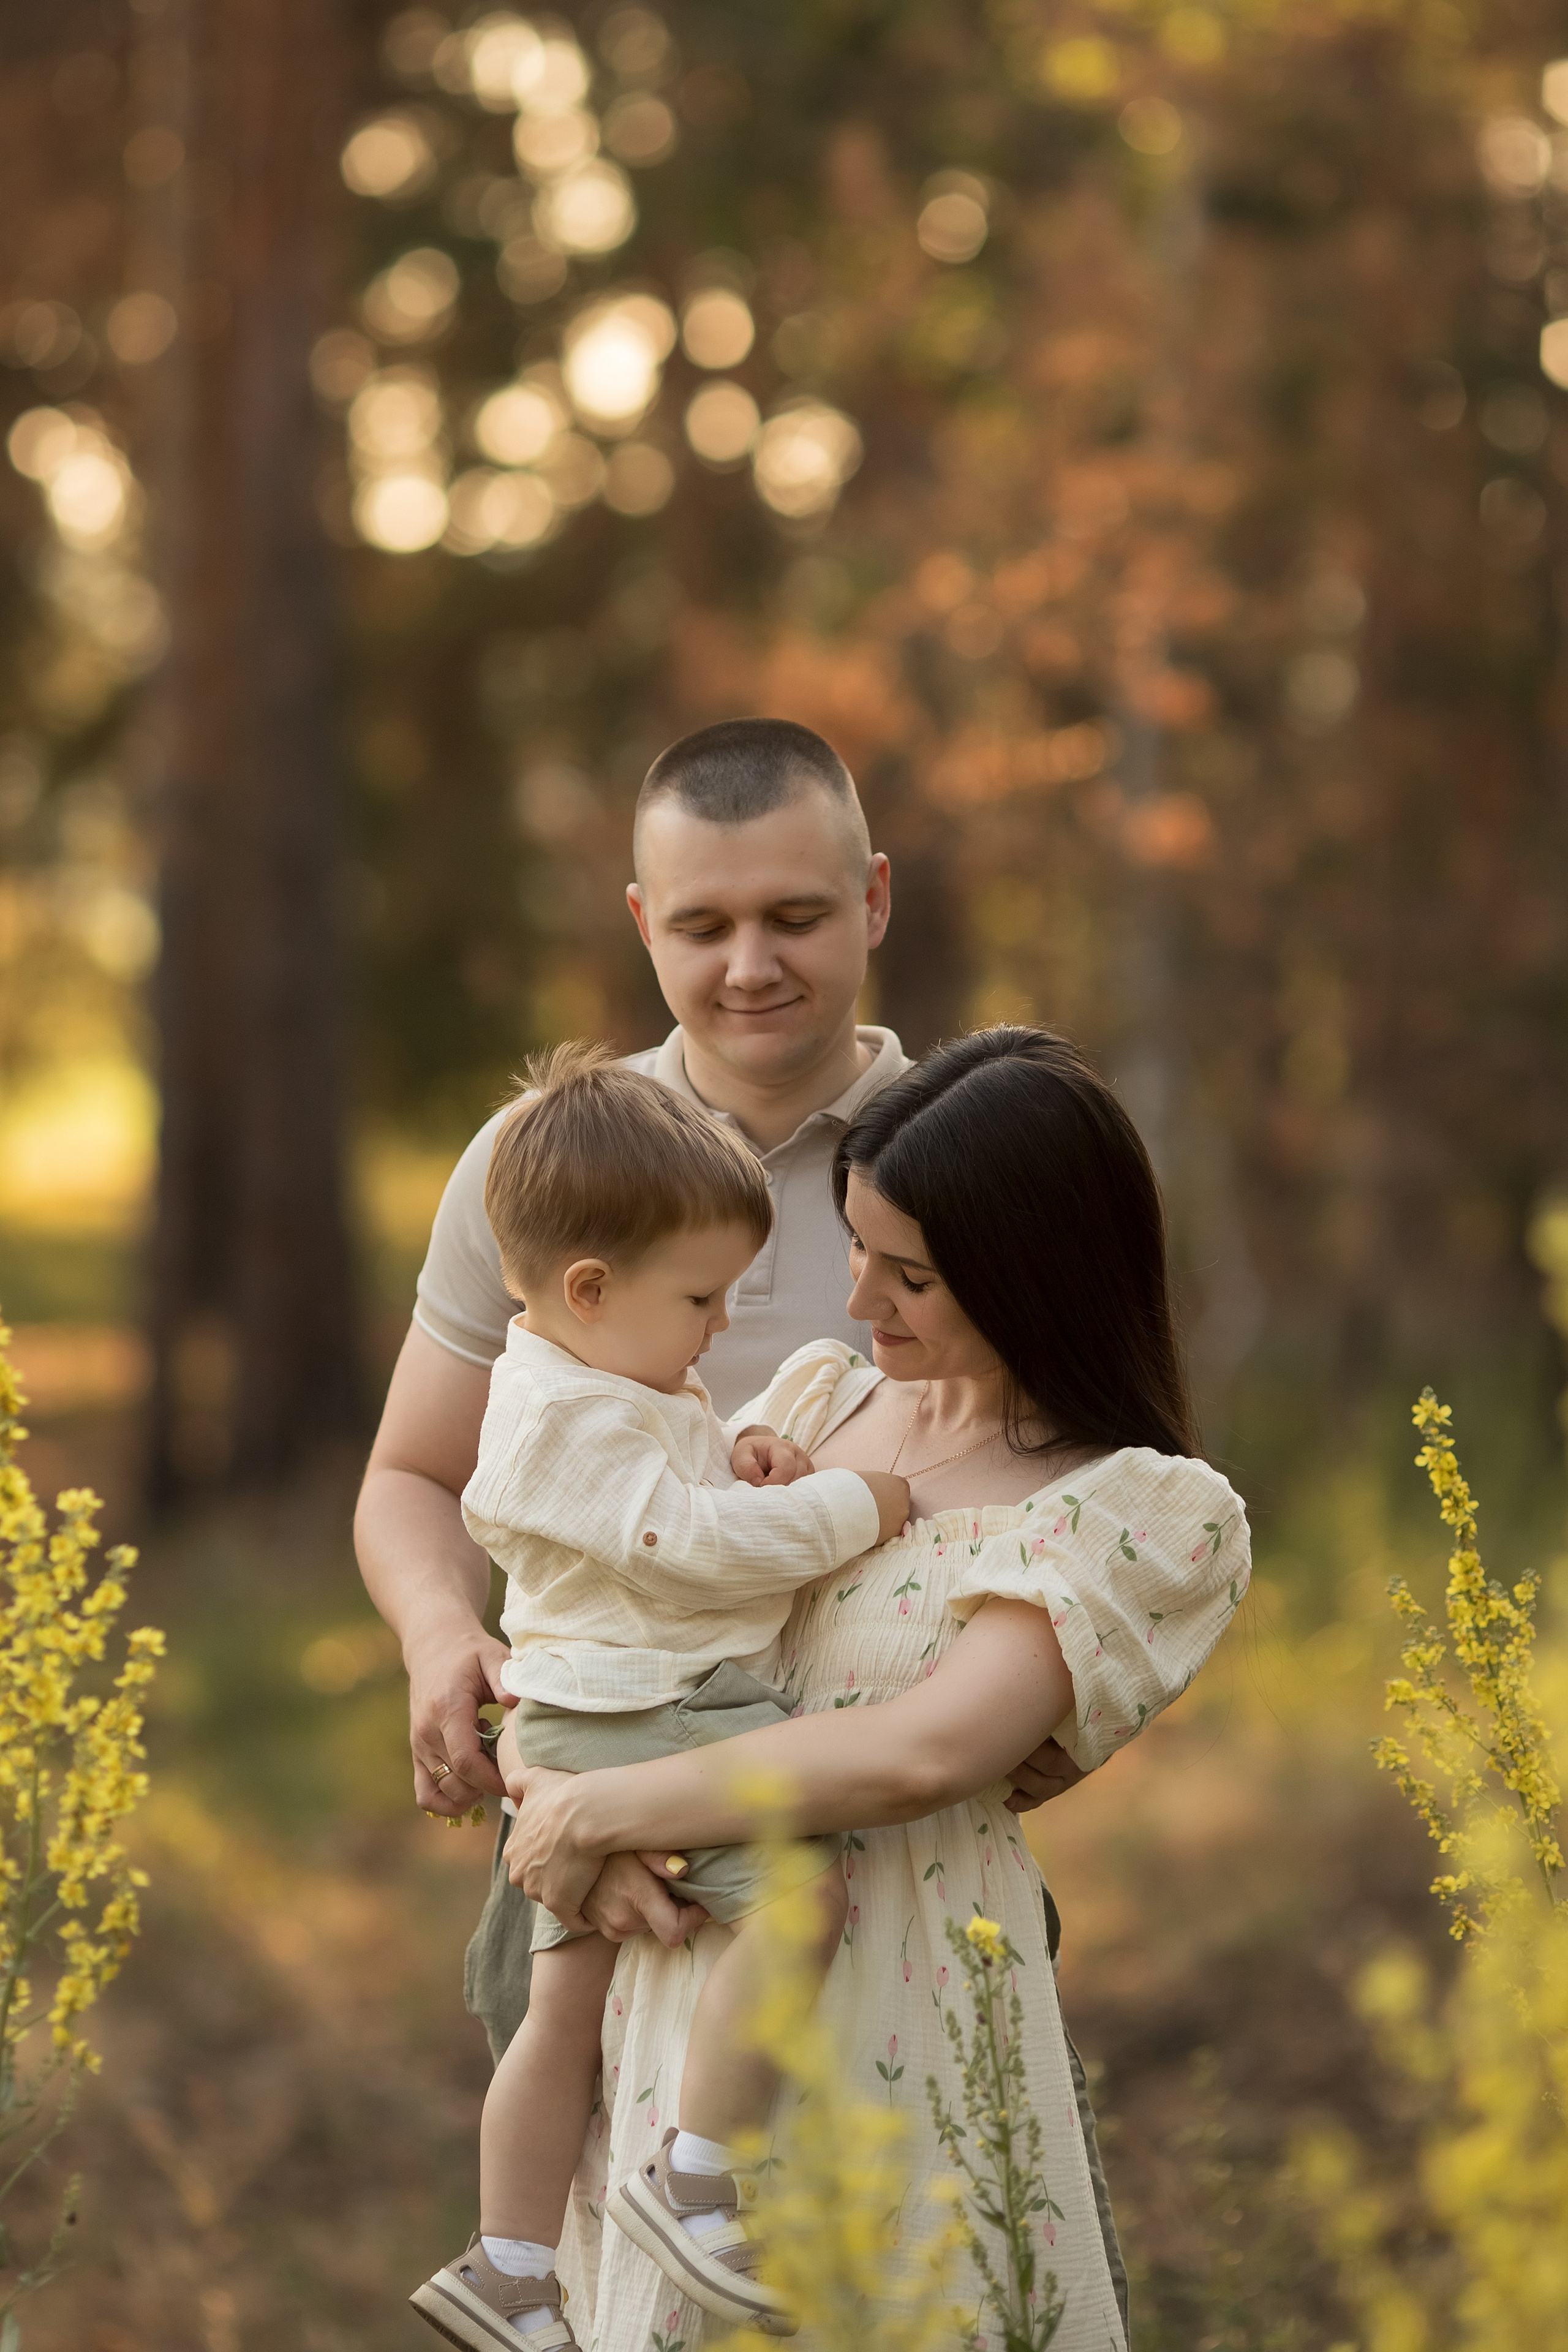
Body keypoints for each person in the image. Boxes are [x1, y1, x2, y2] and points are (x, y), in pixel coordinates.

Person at [355, 718, 1122, 2313]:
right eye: (703, 926)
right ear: (642, 921)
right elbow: (416, 1473)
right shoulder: (551, 1164)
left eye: (797, 916)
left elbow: (1079, 1502)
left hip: (877, 1844)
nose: (750, 965)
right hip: (601, 1790)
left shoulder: (973, 1155)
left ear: (878, 901)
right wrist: (447, 1646)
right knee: (606, 2267)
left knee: (914, 2270)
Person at [499, 1028, 1253, 2352]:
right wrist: (552, 1793)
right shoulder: (815, 1402)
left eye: (907, 1274)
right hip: (683, 1992)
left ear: (1034, 1275)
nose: (859, 1303)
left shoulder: (1130, 1511)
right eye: (853, 1248)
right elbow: (607, 1635)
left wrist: (599, 1811)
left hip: (897, 2004)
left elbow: (920, 1755)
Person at [411, 1045, 910, 2351]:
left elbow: (665, 1471)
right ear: (588, 1289)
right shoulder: (561, 1419)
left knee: (566, 2002)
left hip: (591, 1710)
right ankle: (696, 2180)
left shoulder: (596, 1375)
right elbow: (680, 1545)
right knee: (802, 1899)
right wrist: (852, 1504)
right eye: (702, 1298)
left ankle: (511, 2263)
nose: (715, 1328)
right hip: (651, 1711)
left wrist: (729, 1440)